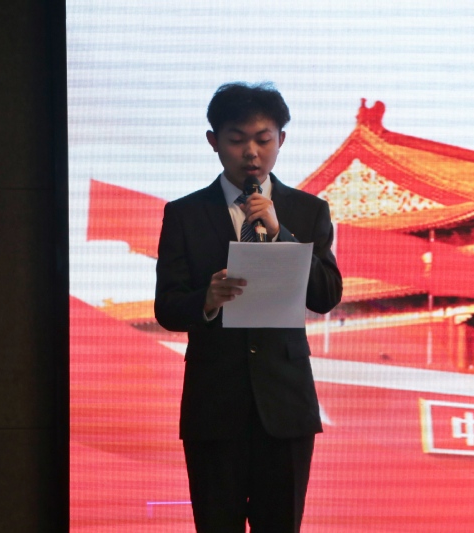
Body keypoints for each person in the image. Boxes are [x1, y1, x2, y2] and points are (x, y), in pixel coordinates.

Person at [154, 82, 342, 532]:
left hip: (286, 404)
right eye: (237, 139)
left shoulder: (308, 211)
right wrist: (206, 299)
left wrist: (281, 234)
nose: (252, 152)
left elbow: (326, 295)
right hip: (213, 404)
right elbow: (167, 307)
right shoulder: (184, 214)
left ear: (282, 140)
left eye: (263, 139)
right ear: (214, 141)